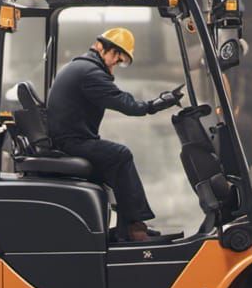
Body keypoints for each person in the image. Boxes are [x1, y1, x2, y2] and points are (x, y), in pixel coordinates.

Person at [46, 27, 183, 242]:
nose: (114, 64)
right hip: (71, 142)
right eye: (115, 57)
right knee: (120, 154)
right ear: (101, 47)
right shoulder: (90, 73)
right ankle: (134, 226)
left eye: (119, 61)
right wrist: (155, 104)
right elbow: (125, 104)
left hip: (70, 139)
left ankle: (127, 228)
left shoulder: (81, 67)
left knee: (114, 162)